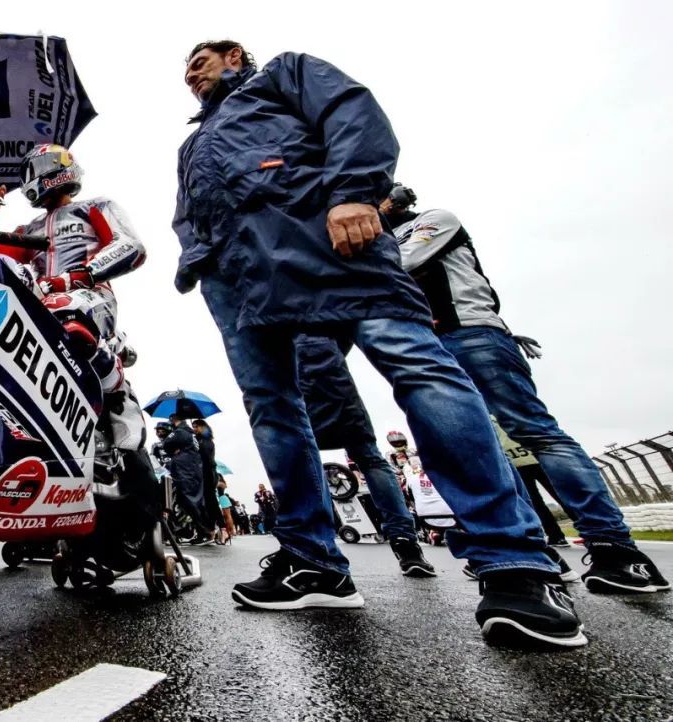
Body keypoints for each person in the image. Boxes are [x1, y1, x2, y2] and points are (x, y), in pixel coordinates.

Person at [173, 40, 585, 647]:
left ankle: (515, 562)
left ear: (234, 54)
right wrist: (197, 261)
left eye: (199, 62)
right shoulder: (192, 143)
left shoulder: (284, 74)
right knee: (272, 408)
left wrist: (352, 193)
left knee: (419, 370)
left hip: (330, 237)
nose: (190, 75)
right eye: (185, 72)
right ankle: (313, 561)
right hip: (239, 278)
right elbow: (189, 211)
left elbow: (352, 111)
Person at [389, 185, 667, 593]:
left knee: (536, 431)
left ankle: (617, 549)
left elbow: (403, 263)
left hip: (473, 334)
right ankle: (533, 551)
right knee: (476, 448)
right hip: (425, 347)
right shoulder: (378, 240)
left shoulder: (434, 220)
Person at [11, 144, 149, 452]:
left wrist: (77, 276)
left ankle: (118, 396)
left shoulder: (96, 206)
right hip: (41, 304)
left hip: (91, 296)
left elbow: (131, 246)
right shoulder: (27, 229)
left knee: (64, 310)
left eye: (40, 167)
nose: (34, 176)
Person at [295, 337, 435, 576]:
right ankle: (404, 540)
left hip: (298, 386)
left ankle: (313, 545)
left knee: (301, 465)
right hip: (330, 375)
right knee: (369, 459)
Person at [492, 416, 568, 547]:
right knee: (559, 497)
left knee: (537, 502)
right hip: (534, 458)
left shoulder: (491, 417)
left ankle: (556, 536)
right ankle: (581, 531)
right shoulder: (510, 412)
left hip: (520, 461)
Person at [159, 420, 214, 544]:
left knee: (189, 500)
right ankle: (201, 531)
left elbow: (167, 443)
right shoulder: (192, 435)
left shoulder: (180, 431)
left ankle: (205, 531)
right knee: (187, 500)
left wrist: (173, 451)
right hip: (191, 470)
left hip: (185, 470)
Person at [191, 419, 225, 538]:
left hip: (208, 473)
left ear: (203, 427)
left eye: (196, 426)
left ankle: (222, 528)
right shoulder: (198, 440)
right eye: (193, 426)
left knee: (211, 502)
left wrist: (196, 448)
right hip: (202, 473)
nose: (194, 429)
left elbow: (206, 457)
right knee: (206, 502)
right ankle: (211, 528)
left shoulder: (206, 441)